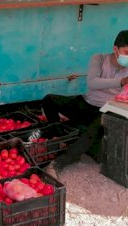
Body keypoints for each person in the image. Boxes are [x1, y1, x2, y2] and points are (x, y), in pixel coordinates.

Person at [42, 30, 128, 178]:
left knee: (96, 127)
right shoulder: (99, 59)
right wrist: (121, 81)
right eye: (127, 52)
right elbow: (93, 82)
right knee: (49, 100)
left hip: (106, 111)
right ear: (115, 49)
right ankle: (60, 135)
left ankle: (59, 162)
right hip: (86, 103)